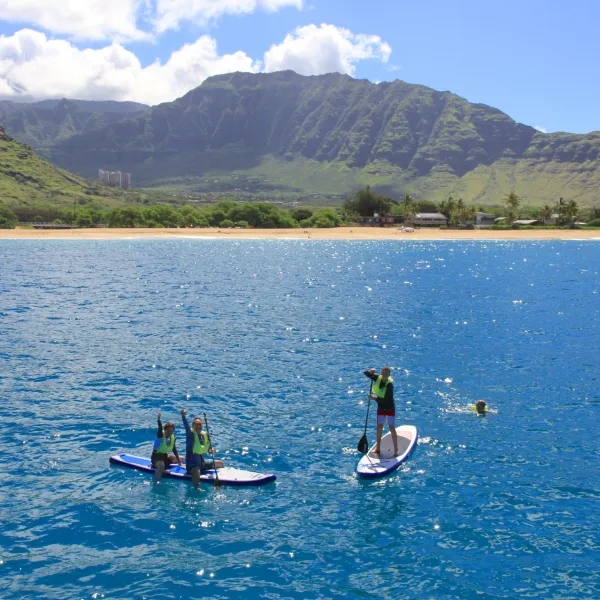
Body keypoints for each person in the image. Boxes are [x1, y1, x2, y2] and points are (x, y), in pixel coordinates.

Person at [180, 409, 224, 490]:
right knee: (197, 471)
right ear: (193, 426)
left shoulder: (204, 435)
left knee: (220, 463)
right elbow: (186, 426)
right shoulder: (191, 435)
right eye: (196, 424)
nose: (198, 426)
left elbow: (208, 448)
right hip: (192, 466)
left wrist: (211, 450)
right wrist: (183, 416)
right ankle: (196, 487)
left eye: (200, 424)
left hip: (202, 464)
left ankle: (222, 480)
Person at [364, 367, 398, 456]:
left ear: (389, 375)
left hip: (390, 408)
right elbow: (366, 373)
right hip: (381, 408)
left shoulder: (390, 385)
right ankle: (378, 448)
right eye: (383, 373)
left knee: (391, 427)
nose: (384, 375)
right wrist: (371, 371)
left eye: (386, 374)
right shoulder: (378, 378)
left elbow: (386, 400)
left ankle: (396, 450)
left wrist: (373, 398)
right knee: (379, 426)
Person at [151, 412, 182, 484]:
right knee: (161, 467)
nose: (170, 432)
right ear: (165, 430)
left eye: (171, 431)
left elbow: (174, 449)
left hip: (165, 456)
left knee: (182, 458)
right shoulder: (160, 435)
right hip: (156, 457)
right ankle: (157, 481)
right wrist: (159, 420)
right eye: (168, 431)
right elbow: (160, 428)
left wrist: (179, 461)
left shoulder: (173, 437)